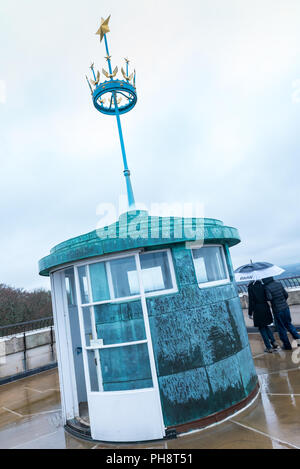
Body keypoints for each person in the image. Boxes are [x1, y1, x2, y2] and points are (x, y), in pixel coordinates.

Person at [263, 277, 300, 350]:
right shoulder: (279, 284)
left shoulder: (267, 287)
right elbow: (286, 295)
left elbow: (269, 298)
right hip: (285, 308)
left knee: (281, 328)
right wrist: (282, 301)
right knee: (289, 324)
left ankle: (287, 345)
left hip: (277, 310)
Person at [248, 279, 279, 353]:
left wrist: (250, 313)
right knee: (266, 326)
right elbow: (268, 297)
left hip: (258, 309)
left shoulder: (251, 288)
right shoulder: (263, 286)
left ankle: (269, 347)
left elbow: (251, 301)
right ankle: (274, 342)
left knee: (262, 328)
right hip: (265, 307)